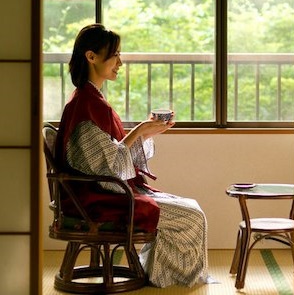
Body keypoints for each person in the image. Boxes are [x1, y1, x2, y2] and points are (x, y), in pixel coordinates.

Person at [55, 23, 210, 288]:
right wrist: (138, 131)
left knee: (191, 207)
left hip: (108, 191)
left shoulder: (92, 100)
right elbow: (108, 171)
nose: (120, 62)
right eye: (115, 54)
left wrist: (146, 133)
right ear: (91, 56)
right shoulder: (85, 104)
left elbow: (113, 156)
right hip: (96, 199)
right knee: (192, 216)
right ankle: (171, 278)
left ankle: (163, 274)